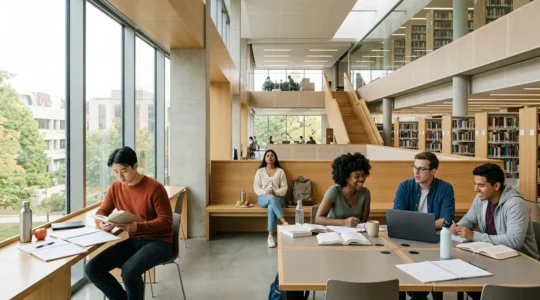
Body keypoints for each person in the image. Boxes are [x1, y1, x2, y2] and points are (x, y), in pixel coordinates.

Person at [85, 147, 173, 300]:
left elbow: (166, 220)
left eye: (124, 170)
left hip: (160, 242)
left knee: (129, 271)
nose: (120, 176)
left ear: (136, 166)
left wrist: (138, 227)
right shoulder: (115, 187)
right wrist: (102, 224)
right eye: (115, 172)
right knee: (92, 268)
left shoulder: (154, 187)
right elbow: (102, 212)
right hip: (135, 241)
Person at [452, 164, 539, 300]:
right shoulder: (481, 199)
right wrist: (458, 226)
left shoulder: (515, 205)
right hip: (494, 259)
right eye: (475, 184)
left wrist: (474, 235)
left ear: (496, 186)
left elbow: (513, 241)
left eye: (481, 185)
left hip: (521, 265)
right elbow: (470, 218)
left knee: (478, 288)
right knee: (466, 281)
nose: (476, 189)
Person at [393, 151, 455, 230]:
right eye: (415, 167)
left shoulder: (445, 188)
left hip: (433, 233)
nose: (416, 172)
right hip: (408, 232)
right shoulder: (404, 186)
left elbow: (447, 219)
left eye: (421, 169)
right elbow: (397, 216)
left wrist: (422, 227)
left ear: (433, 171)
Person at [315, 153, 371, 227]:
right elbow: (318, 219)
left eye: (363, 175)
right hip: (333, 234)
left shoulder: (365, 193)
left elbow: (364, 221)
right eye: (356, 176)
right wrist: (344, 222)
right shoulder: (334, 191)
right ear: (346, 177)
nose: (362, 179)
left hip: (355, 234)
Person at [253, 150, 288, 248]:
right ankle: (284, 222)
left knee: (271, 206)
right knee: (270, 199)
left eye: (272, 156)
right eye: (267, 156)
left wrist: (275, 192)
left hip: (278, 199)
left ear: (275, 158)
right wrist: (265, 192)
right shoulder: (260, 171)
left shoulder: (281, 171)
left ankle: (270, 236)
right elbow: (256, 187)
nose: (269, 157)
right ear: (264, 158)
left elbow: (285, 188)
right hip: (263, 198)